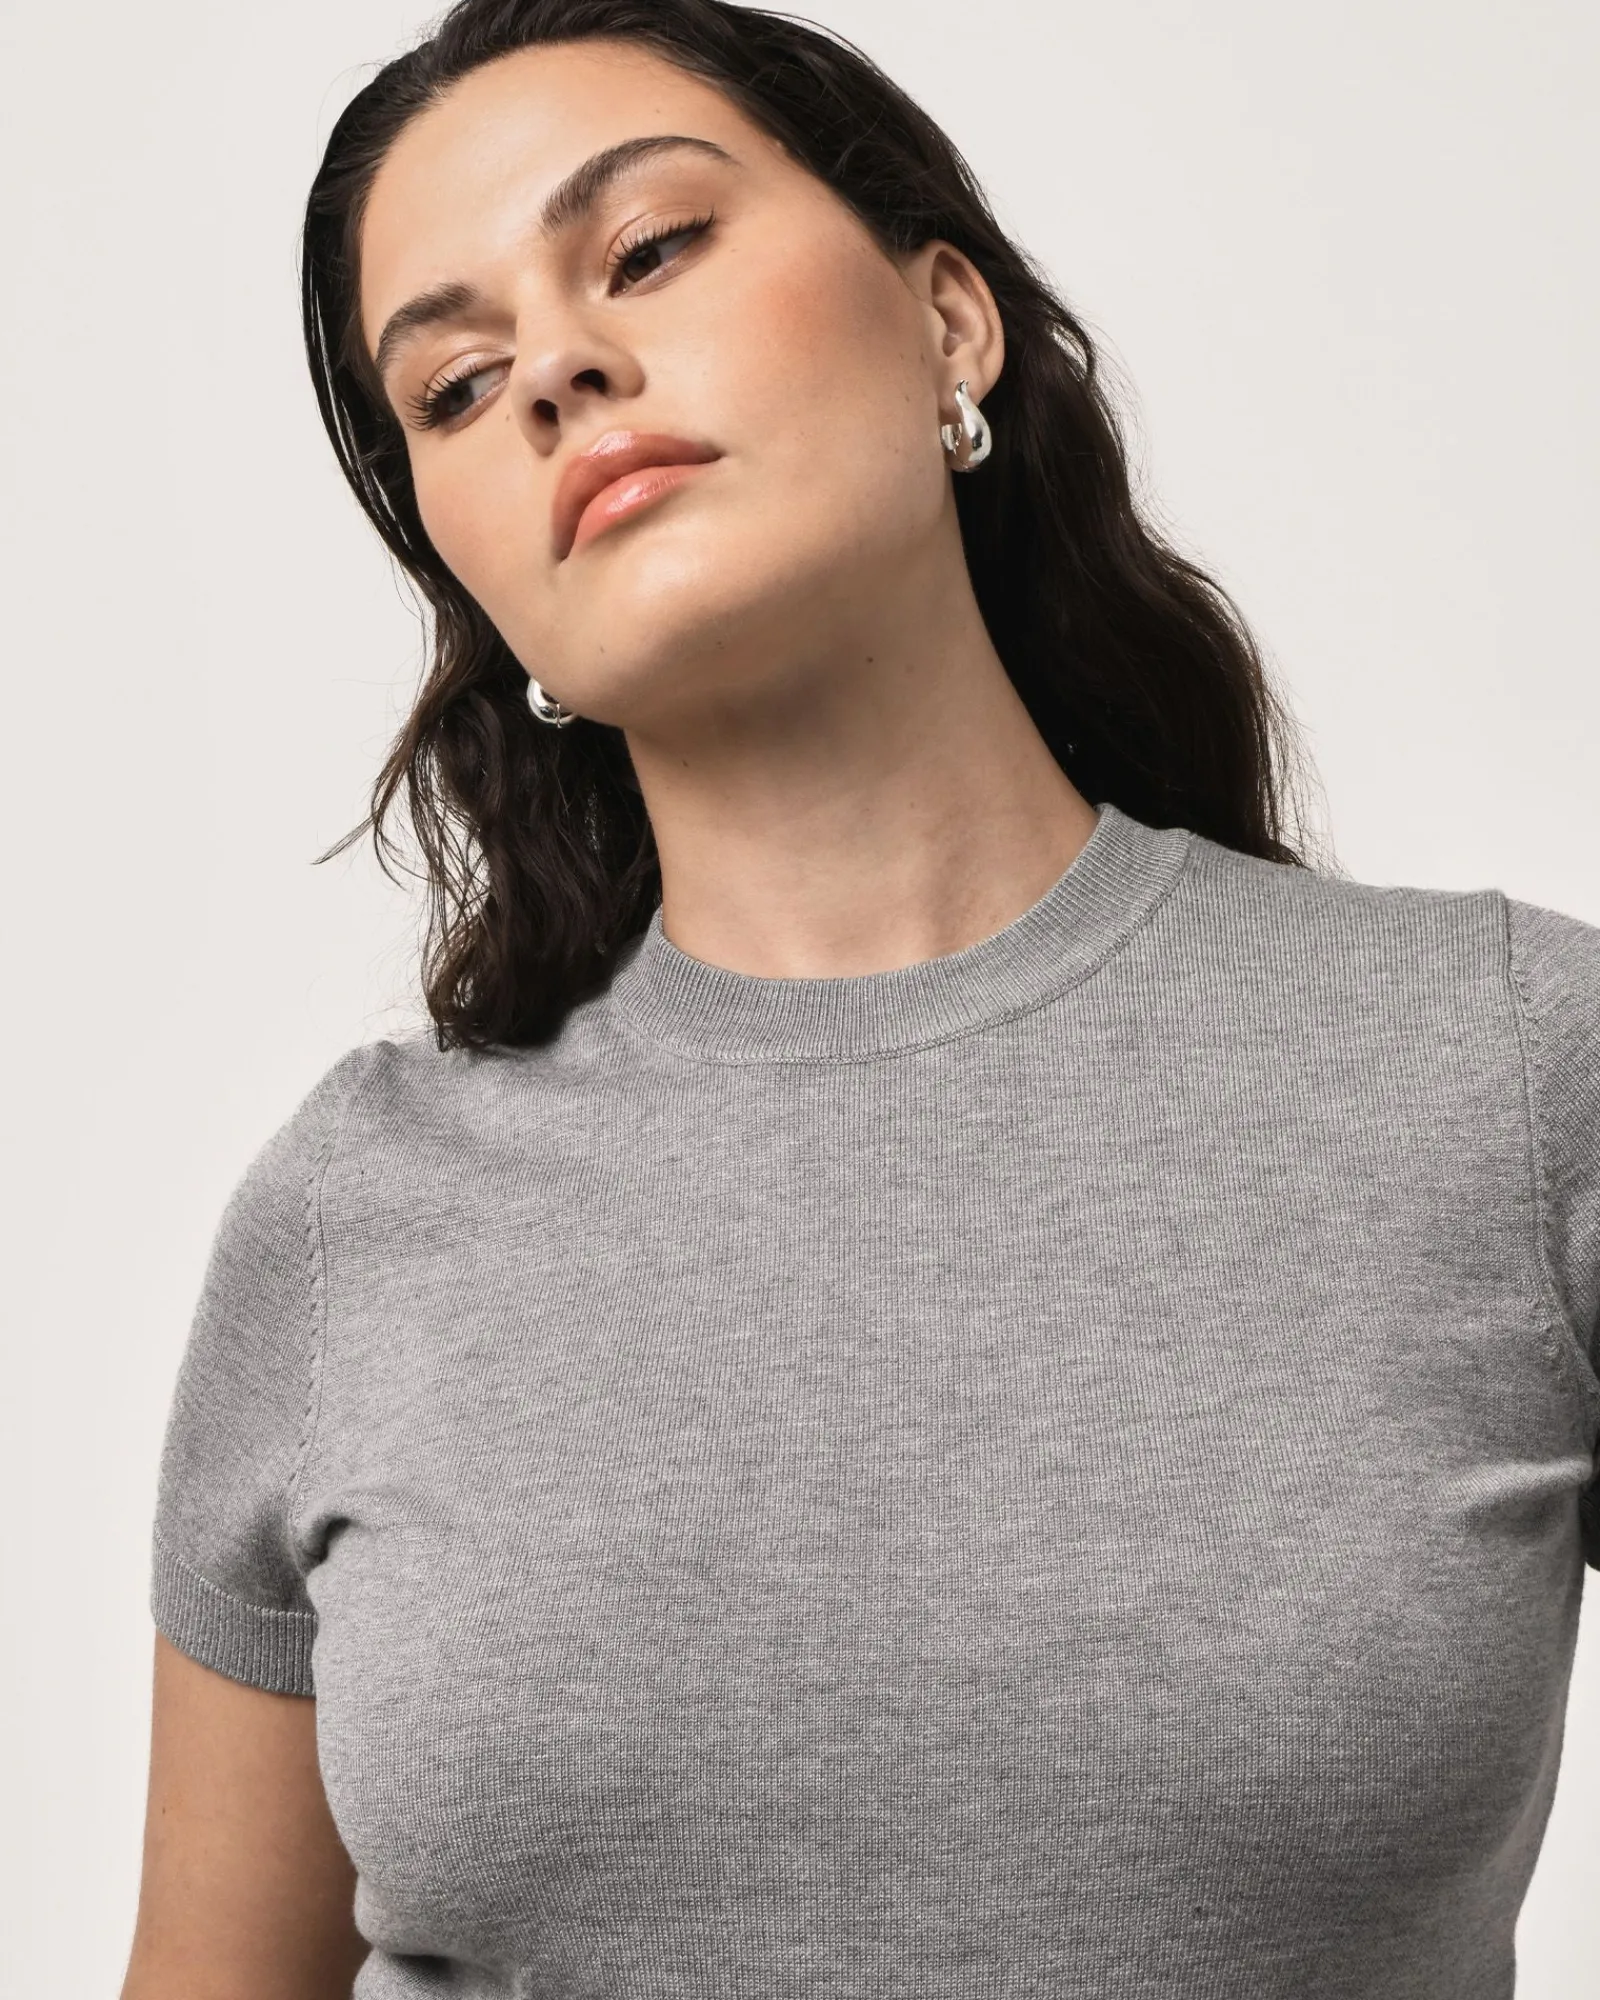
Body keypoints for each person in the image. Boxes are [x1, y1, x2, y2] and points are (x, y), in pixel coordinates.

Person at [121, 2, 1600, 1996]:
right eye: (454, 386)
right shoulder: (349, 1220)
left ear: (947, 325)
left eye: (649, 248)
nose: (554, 369)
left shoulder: (1501, 1070)